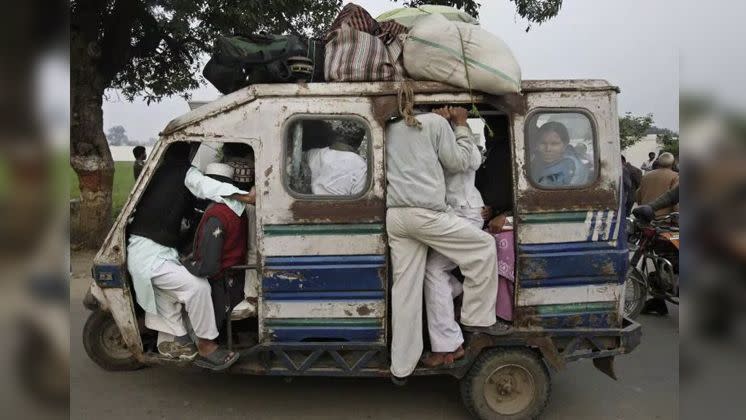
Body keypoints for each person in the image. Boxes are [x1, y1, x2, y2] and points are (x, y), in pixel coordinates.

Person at [385, 106, 508, 381]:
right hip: (429, 214)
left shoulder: (389, 128)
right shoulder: (434, 125)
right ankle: (476, 318)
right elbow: (462, 161)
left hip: (397, 216)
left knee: (405, 290)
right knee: (482, 248)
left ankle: (402, 365)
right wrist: (460, 126)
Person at [126, 142, 255, 371]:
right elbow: (205, 186)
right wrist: (245, 196)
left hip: (150, 250)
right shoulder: (184, 172)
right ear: (190, 152)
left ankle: (178, 341)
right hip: (150, 256)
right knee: (198, 288)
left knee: (172, 293)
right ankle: (206, 346)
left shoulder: (158, 172)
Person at [421, 107, 505, 368]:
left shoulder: (462, 143)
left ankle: (448, 346)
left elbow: (469, 162)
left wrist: (458, 124)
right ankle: (451, 306)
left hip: (464, 215)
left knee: (433, 272)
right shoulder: (440, 140)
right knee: (435, 273)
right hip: (454, 214)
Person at [183, 163, 249, 346]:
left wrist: (184, 264)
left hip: (221, 286)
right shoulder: (237, 208)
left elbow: (208, 267)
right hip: (235, 279)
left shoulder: (216, 215)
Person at [305, 122, 367, 195]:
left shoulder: (312, 154)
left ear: (336, 136)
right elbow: (359, 199)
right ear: (360, 141)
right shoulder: (361, 165)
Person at [475, 117, 513, 232]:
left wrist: (498, 211)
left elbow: (498, 191)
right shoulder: (492, 152)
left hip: (500, 218)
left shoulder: (501, 153)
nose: (488, 134)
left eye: (490, 130)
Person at [529, 121, 587, 187]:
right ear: (536, 144)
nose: (548, 149)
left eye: (554, 144)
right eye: (543, 143)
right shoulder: (536, 159)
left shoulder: (569, 167)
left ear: (564, 145)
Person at [636, 152, 679, 217]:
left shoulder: (646, 176)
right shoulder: (675, 176)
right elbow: (675, 200)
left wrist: (643, 208)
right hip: (665, 218)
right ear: (673, 163)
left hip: (646, 216)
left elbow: (638, 195)